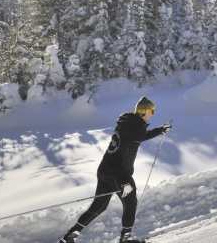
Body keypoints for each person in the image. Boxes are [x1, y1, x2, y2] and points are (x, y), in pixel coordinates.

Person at [59, 97, 172, 243]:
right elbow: (139, 137)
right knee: (130, 203)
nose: (153, 114)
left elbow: (139, 136)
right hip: (119, 174)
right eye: (152, 111)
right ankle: (125, 238)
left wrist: (160, 130)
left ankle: (69, 236)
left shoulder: (127, 123)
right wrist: (160, 130)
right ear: (144, 111)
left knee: (99, 206)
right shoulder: (136, 127)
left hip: (105, 170)